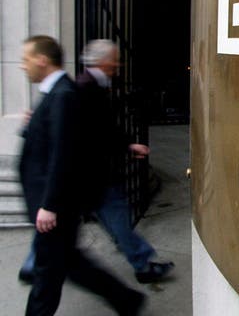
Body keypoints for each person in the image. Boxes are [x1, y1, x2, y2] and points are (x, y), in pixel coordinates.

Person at [19, 35, 145, 315]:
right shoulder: (57, 93)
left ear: (42, 60)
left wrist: (49, 205)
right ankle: (126, 299)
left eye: (25, 59)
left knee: (49, 278)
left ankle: (126, 298)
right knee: (67, 265)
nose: (21, 66)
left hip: (54, 207)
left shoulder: (64, 94)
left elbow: (63, 154)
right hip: (51, 206)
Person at [76, 39, 174, 283]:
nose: (118, 64)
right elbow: (99, 132)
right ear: (103, 61)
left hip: (93, 173)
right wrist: (125, 146)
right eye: (115, 59)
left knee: (97, 222)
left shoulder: (91, 85)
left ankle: (34, 262)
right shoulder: (86, 88)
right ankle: (142, 264)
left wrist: (127, 145)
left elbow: (104, 129)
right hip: (98, 173)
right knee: (116, 218)